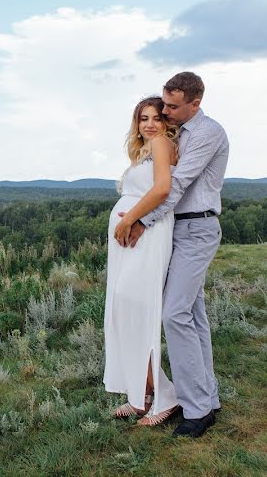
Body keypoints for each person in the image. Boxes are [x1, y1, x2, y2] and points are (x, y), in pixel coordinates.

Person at [116, 71, 229, 438]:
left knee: (175, 313)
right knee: (193, 315)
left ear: (196, 103)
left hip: (196, 228)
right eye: (163, 102)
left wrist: (140, 220)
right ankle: (206, 397)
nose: (165, 110)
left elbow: (176, 184)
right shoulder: (177, 131)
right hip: (175, 229)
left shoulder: (208, 133)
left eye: (172, 106)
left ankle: (196, 409)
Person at [104, 96, 181, 427]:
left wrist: (128, 220)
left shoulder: (162, 144)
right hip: (130, 239)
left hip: (148, 233)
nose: (150, 124)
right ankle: (141, 394)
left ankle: (166, 397)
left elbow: (162, 190)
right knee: (124, 310)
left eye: (156, 118)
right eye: (143, 118)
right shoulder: (142, 154)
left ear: (166, 123)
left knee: (137, 307)